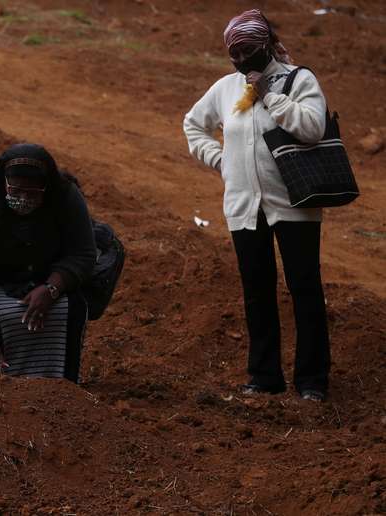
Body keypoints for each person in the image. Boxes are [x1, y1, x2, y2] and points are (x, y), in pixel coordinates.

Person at [183, 9, 331, 401]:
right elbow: (193, 124)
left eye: (249, 51)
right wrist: (221, 160)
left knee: (304, 288)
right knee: (257, 290)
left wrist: (270, 95)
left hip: (294, 204)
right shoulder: (225, 88)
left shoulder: (298, 80)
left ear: (266, 46)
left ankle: (312, 381)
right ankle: (265, 376)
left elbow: (313, 128)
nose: (243, 60)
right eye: (236, 54)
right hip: (244, 206)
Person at [0, 143, 96, 383]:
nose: (24, 198)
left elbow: (84, 254)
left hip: (44, 278)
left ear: (47, 187)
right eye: (15, 191)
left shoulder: (65, 198)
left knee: (66, 311)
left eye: (33, 192)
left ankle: (54, 386)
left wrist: (52, 288)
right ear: (3, 182)